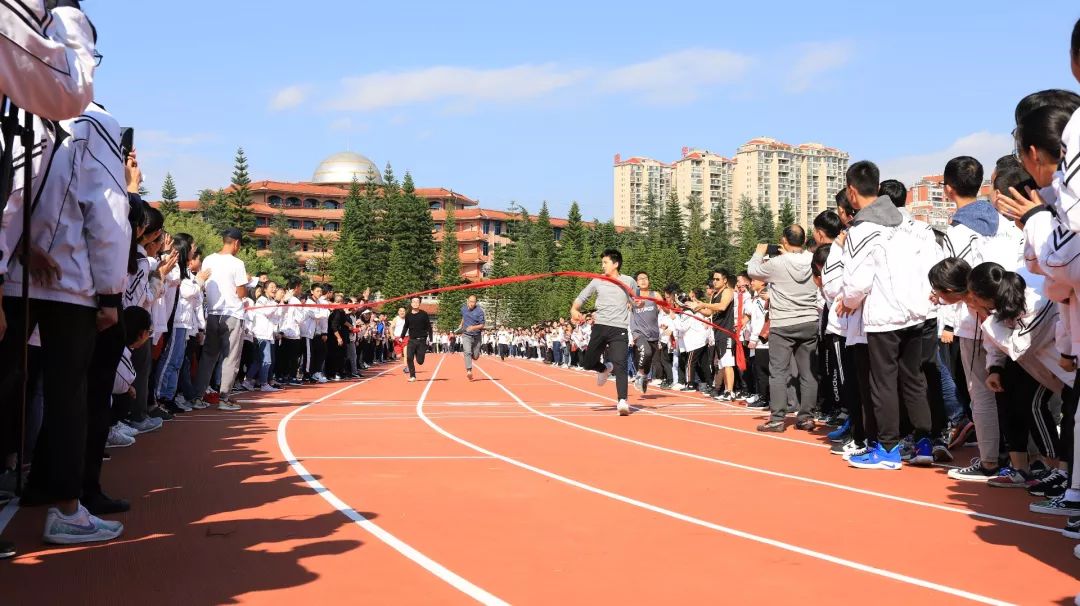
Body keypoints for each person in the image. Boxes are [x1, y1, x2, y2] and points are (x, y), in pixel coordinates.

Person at [747, 225, 820, 432]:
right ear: (804, 240)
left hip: (783, 323)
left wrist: (759, 252)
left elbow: (753, 271)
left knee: (778, 372)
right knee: (808, 373)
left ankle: (778, 419)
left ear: (784, 240)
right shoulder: (812, 259)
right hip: (808, 320)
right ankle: (807, 417)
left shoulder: (777, 263)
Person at [570, 248, 638, 416]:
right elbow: (582, 297)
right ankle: (603, 369)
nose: (603, 266)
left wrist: (639, 303)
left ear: (616, 264)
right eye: (602, 263)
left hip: (619, 329)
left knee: (621, 364)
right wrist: (574, 309)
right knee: (587, 363)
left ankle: (622, 400)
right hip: (600, 326)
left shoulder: (628, 281)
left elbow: (636, 301)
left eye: (605, 262)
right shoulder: (597, 280)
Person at [190, 228, 249, 410]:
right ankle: (224, 398)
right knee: (230, 358)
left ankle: (198, 396)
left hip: (213, 314)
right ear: (236, 243)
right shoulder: (237, 263)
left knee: (208, 356)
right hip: (232, 314)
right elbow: (241, 293)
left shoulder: (208, 259)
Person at [630, 271, 661, 395]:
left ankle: (643, 376)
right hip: (638, 332)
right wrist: (634, 303)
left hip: (653, 333)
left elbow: (665, 307)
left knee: (648, 361)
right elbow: (628, 304)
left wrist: (670, 309)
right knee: (646, 352)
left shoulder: (655, 295)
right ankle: (639, 374)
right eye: (640, 279)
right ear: (636, 282)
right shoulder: (632, 296)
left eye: (646, 278)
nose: (643, 280)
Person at [403, 296, 432, 382]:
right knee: (409, 357)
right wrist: (401, 337)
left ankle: (419, 353)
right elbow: (405, 327)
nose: (415, 303)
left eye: (417, 302)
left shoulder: (424, 314)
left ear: (419, 303)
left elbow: (429, 327)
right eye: (413, 301)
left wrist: (431, 339)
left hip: (422, 340)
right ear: (411, 303)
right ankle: (413, 376)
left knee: (420, 361)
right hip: (411, 340)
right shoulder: (408, 315)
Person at [458, 294, 485, 380]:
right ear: (467, 301)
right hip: (466, 335)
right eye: (470, 301)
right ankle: (469, 371)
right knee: (467, 352)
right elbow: (464, 317)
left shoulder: (480, 311)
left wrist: (473, 327)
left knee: (476, 356)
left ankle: (474, 354)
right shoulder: (463, 308)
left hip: (477, 336)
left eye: (473, 302)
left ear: (476, 303)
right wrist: (461, 324)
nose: (471, 303)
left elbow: (482, 324)